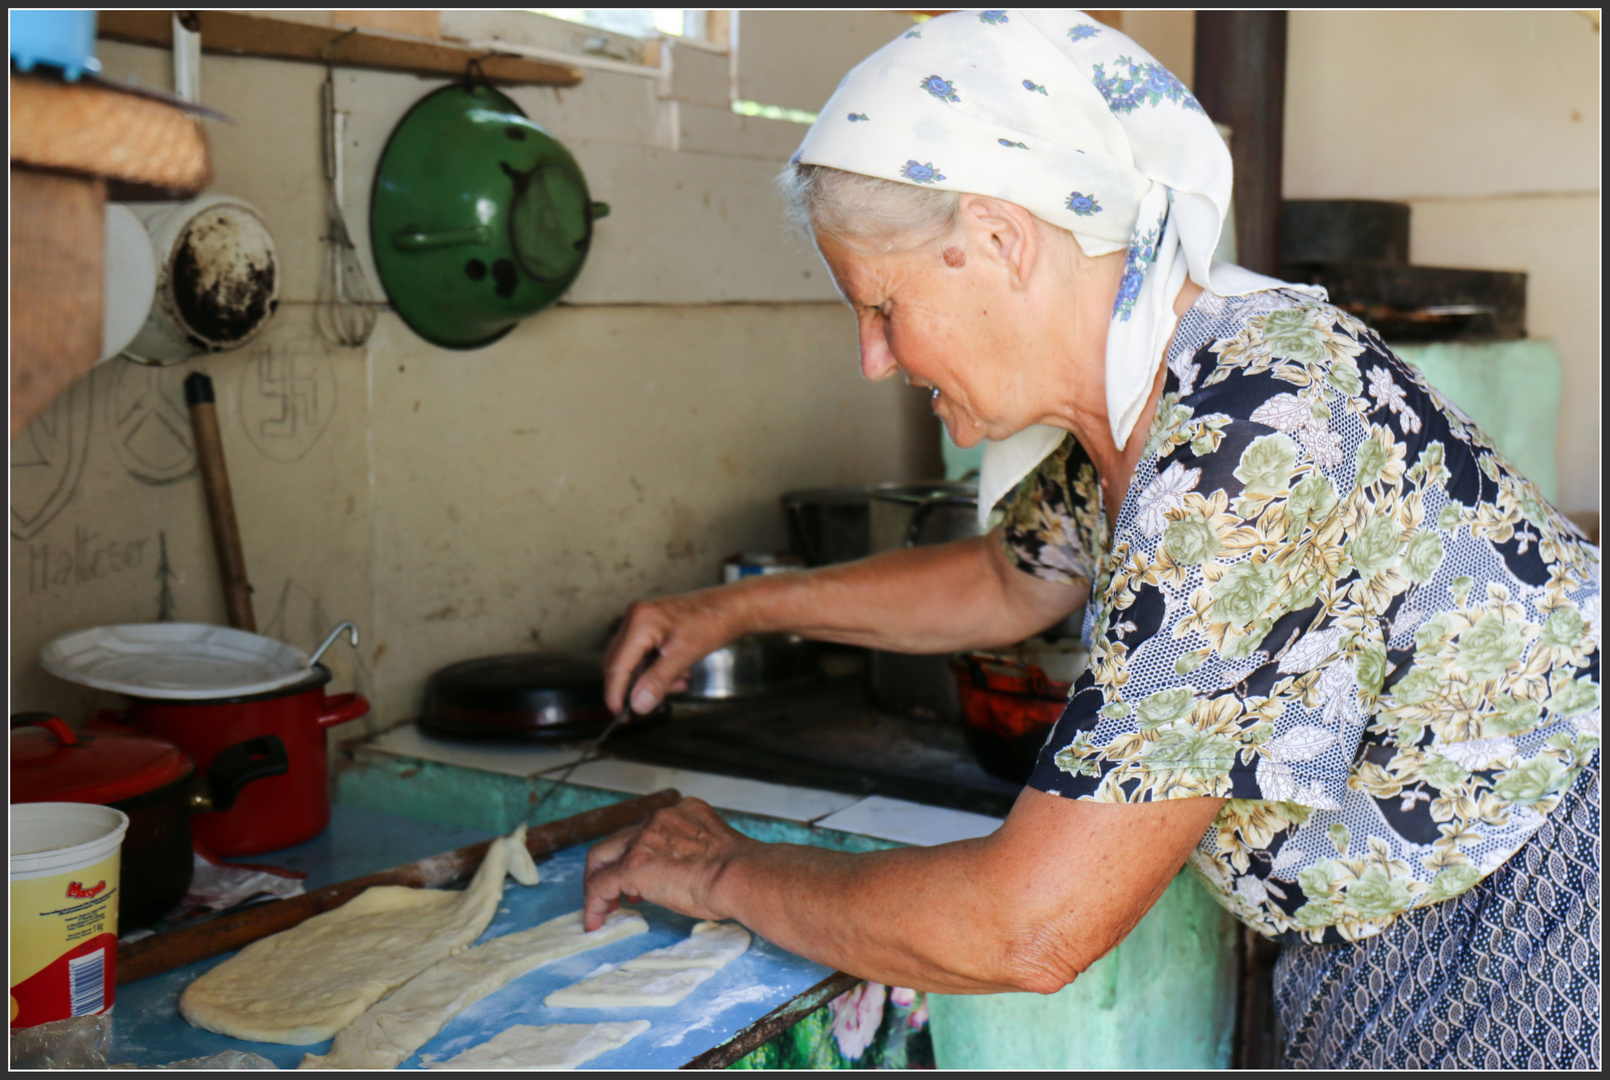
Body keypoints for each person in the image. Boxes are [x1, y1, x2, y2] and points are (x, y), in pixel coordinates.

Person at [582, 11, 1600, 1068]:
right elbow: (1004, 576)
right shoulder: (1156, 399)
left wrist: (720, 873)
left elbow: (1033, 923)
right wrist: (737, 609)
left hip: (1526, 928)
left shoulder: (1248, 442)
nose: (871, 359)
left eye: (883, 307)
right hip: (1401, 935)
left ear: (995, 241)